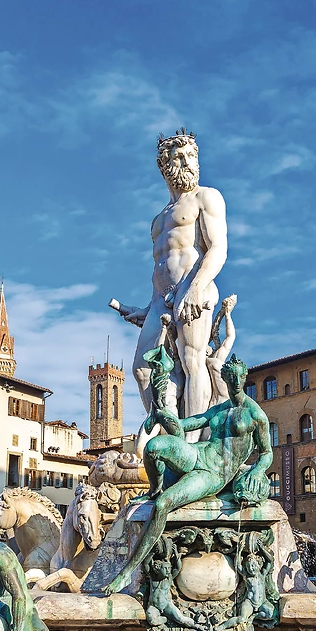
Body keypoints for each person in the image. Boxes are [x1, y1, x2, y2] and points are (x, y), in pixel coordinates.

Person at [103, 355, 273, 595]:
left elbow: (267, 453)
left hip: (213, 473)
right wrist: (159, 405)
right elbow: (183, 426)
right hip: (198, 454)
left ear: (245, 378)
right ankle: (153, 489)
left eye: (240, 377)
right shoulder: (219, 410)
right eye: (231, 376)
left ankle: (126, 571)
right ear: (224, 378)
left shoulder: (255, 415)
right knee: (154, 448)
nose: (235, 381)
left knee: (163, 505)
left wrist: (257, 470)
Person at [111, 130, 228, 442]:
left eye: (192, 157)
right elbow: (160, 268)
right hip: (162, 299)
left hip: (194, 287)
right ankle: (168, 428)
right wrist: (147, 308)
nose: (188, 163)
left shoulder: (207, 197)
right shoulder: (159, 219)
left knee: (193, 360)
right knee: (142, 369)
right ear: (165, 167)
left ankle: (190, 443)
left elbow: (217, 249)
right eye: (179, 158)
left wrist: (196, 288)